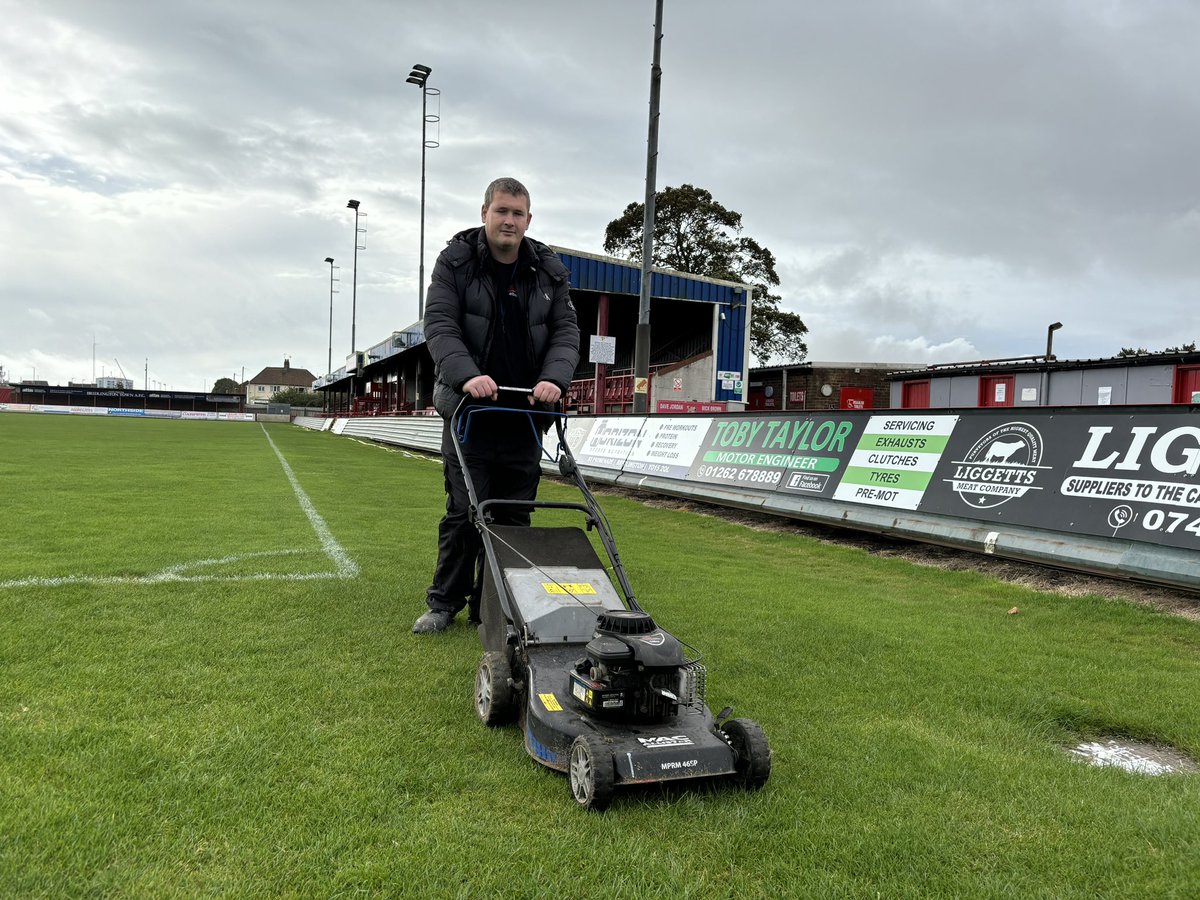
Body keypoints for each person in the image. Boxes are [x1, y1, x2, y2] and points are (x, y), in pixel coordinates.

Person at [413, 177, 580, 634]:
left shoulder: (548, 272)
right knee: (465, 511)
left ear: (529, 219)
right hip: (470, 414)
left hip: (524, 415)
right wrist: (468, 375)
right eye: (502, 211)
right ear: (484, 212)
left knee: (514, 516)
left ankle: (497, 606)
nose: (509, 220)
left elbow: (566, 334)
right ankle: (444, 603)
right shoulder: (455, 263)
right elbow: (440, 325)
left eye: (517, 213)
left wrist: (553, 379)